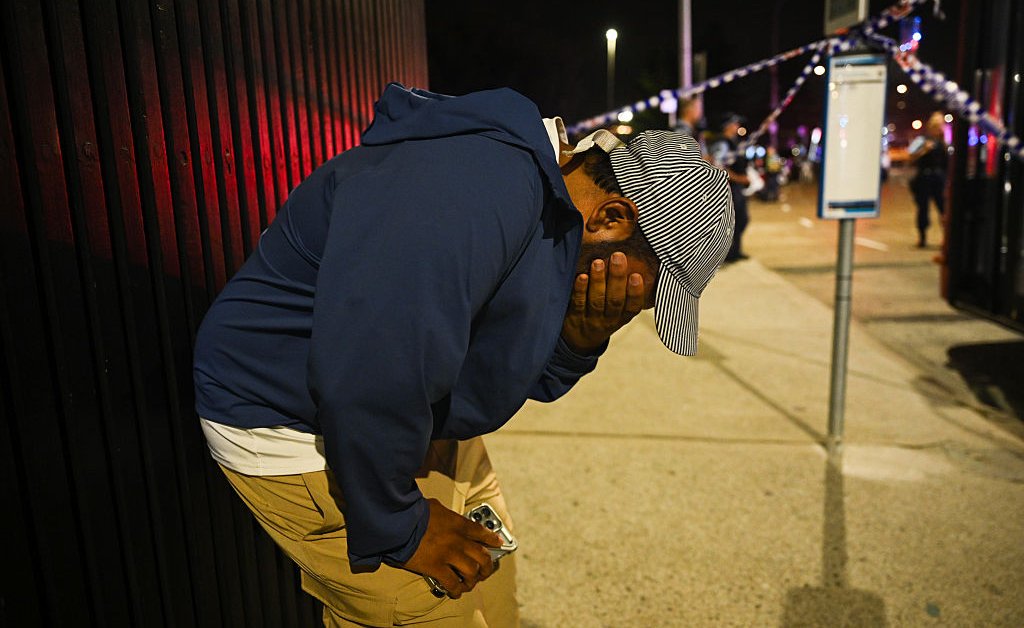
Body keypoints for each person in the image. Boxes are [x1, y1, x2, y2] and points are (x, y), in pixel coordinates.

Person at [193, 83, 734, 627]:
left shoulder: (552, 217)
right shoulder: (474, 187)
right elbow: (372, 372)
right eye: (646, 288)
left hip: (406, 413)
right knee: (430, 611)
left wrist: (577, 339)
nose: (633, 305)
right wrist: (400, 527)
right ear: (610, 219)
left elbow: (500, 376)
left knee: (492, 592)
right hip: (300, 424)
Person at [709, 113, 751, 261]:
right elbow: (718, 166)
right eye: (735, 123)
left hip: (736, 188)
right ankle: (728, 253)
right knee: (734, 220)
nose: (737, 126)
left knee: (741, 219)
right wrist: (739, 178)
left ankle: (735, 251)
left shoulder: (732, 142)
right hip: (730, 188)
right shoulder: (723, 143)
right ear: (727, 125)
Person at [907, 111, 949, 248]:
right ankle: (922, 237)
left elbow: (947, 162)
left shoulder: (943, 142)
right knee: (923, 208)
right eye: (936, 125)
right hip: (924, 177)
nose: (938, 128)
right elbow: (910, 155)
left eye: (940, 125)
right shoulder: (922, 139)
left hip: (939, 177)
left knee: (943, 208)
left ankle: (947, 238)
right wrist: (923, 150)